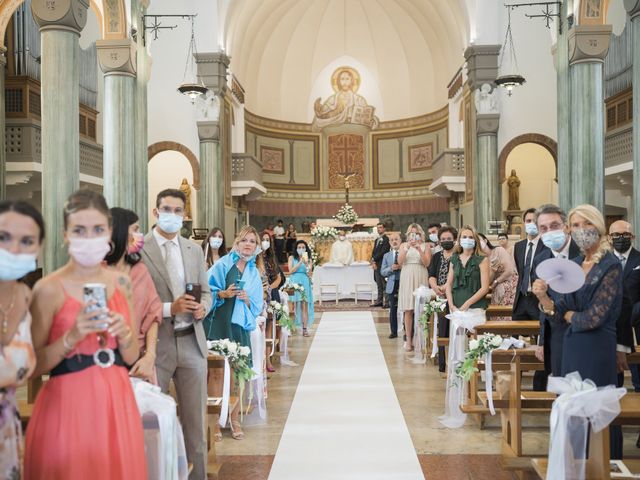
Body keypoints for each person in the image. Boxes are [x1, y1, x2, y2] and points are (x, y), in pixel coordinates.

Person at [25, 190, 147, 479]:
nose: (89, 237)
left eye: (97, 230)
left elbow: (130, 357)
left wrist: (126, 334)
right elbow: (31, 366)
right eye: (79, 230)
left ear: (108, 233)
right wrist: (71, 337)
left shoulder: (121, 282)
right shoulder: (48, 288)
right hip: (68, 403)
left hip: (116, 402)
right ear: (66, 235)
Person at [533, 204, 622, 459]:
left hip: (596, 347)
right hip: (572, 346)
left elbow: (593, 318)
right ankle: (577, 465)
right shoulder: (574, 263)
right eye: (576, 225)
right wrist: (544, 299)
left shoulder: (610, 264)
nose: (582, 230)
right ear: (570, 231)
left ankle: (605, 464)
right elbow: (559, 309)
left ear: (599, 227)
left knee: (596, 412)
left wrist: (569, 315)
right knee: (573, 411)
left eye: (587, 224)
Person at [140, 188, 212, 479]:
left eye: (178, 210)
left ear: (184, 215)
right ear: (156, 212)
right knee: (153, 422)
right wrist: (171, 307)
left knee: (195, 422)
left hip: (192, 342)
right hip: (157, 346)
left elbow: (206, 292)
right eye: (166, 209)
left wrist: (203, 308)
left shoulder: (193, 250)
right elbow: (137, 300)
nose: (172, 215)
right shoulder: (140, 250)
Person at [206, 225, 264, 440]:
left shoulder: (253, 273)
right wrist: (222, 293)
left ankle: (235, 418)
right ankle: (214, 421)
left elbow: (257, 305)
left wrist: (248, 300)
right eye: (245, 240)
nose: (248, 244)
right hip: (219, 322)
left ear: (256, 247)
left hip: (239, 324)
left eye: (253, 242)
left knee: (239, 372)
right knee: (217, 373)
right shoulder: (222, 264)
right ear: (237, 243)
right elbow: (206, 290)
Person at [0, 201, 42, 479]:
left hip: (8, 426)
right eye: (3, 237)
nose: (14, 249)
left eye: (26, 241)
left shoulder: (26, 296)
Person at [105, 207, 162, 384]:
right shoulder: (96, 271)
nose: (139, 234)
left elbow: (153, 315)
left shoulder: (140, 271)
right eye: (135, 229)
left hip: (139, 359)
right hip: (104, 358)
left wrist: (150, 356)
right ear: (120, 231)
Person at [530, 204, 580, 389]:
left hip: (586, 332)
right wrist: (542, 341)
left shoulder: (584, 252)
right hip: (556, 334)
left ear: (565, 226)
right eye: (543, 228)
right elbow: (542, 303)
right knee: (563, 392)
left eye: (554, 226)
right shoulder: (541, 259)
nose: (549, 231)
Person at [608, 221, 640, 387]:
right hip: (611, 322)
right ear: (609, 238)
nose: (620, 238)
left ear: (632, 237)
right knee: (614, 373)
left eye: (625, 234)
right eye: (616, 235)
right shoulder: (602, 262)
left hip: (637, 319)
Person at [397, 224, 431, 351]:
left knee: (421, 309)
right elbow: (400, 262)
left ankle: (420, 339)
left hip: (420, 273)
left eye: (416, 233)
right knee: (408, 309)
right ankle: (409, 339)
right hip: (407, 275)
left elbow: (427, 263)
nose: (414, 235)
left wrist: (419, 249)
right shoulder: (403, 245)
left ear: (420, 234)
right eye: (411, 233)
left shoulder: (425, 245)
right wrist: (406, 248)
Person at [428, 226, 457, 372]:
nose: (446, 241)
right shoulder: (436, 256)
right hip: (440, 296)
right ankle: (443, 364)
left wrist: (447, 287)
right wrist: (435, 287)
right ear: (439, 241)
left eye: (449, 239)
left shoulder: (458, 255)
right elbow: (431, 275)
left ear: (454, 240)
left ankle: (455, 362)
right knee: (442, 328)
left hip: (456, 296)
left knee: (454, 329)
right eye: (443, 239)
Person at [512, 208, 548, 320]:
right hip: (521, 298)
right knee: (515, 335)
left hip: (538, 299)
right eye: (528, 221)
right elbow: (520, 270)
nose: (531, 224)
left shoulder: (547, 246)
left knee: (539, 334)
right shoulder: (519, 246)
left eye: (535, 221)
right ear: (524, 223)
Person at [445, 225, 490, 313]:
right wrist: (451, 305)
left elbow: (485, 288)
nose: (467, 239)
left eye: (470, 237)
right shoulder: (454, 258)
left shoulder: (482, 259)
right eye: (464, 237)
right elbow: (448, 285)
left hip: (475, 307)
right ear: (459, 240)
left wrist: (467, 303)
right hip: (456, 307)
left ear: (475, 240)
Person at [260, 231, 285, 372]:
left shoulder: (272, 258)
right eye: (263, 239)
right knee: (261, 327)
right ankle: (261, 359)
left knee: (269, 326)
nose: (265, 242)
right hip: (259, 294)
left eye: (267, 240)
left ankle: (268, 359)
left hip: (271, 294)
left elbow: (279, 278)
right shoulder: (255, 257)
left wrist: (269, 288)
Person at [478, 233, 518, 320]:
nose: (478, 243)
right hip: (496, 289)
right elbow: (488, 280)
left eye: (479, 240)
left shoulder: (498, 250)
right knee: (497, 317)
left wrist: (497, 281)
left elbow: (510, 270)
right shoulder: (481, 258)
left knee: (508, 316)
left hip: (510, 286)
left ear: (485, 240)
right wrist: (493, 270)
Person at [288, 240, 314, 337]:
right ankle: (290, 327)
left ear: (306, 249)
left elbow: (310, 274)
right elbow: (291, 271)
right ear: (296, 249)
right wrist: (300, 262)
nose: (301, 249)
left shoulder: (309, 259)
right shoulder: (291, 258)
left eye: (303, 247)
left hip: (305, 282)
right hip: (294, 281)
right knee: (292, 306)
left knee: (304, 306)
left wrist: (307, 264)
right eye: (299, 247)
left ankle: (304, 329)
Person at [380, 233, 402, 338]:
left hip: (403, 283)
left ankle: (407, 331)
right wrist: (391, 269)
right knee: (393, 309)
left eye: (396, 239)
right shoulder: (386, 256)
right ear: (389, 242)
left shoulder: (405, 253)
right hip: (392, 284)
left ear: (400, 241)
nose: (394, 241)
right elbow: (382, 272)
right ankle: (394, 332)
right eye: (392, 240)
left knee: (406, 309)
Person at [371, 222, 390, 307]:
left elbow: (384, 251)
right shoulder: (377, 240)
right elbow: (374, 251)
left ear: (384, 229)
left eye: (381, 227)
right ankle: (379, 300)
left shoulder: (386, 239)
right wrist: (373, 261)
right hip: (376, 264)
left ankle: (386, 301)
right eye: (378, 228)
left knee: (383, 283)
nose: (379, 229)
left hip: (383, 263)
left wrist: (374, 259)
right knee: (378, 283)